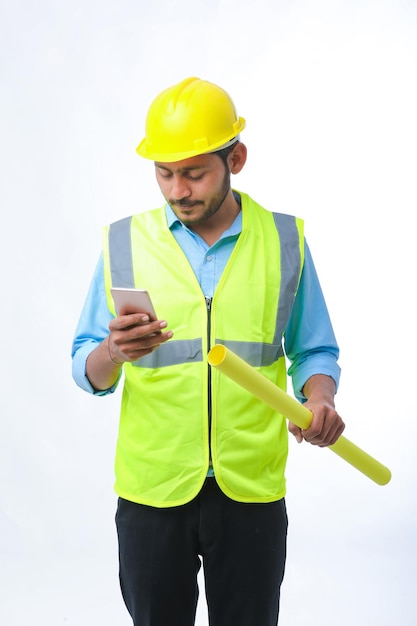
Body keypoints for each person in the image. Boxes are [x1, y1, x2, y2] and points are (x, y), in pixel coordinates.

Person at [71, 76, 345, 626]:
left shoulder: (285, 240)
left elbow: (314, 349)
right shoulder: (123, 241)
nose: (177, 190)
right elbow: (86, 369)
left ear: (235, 158)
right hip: (153, 488)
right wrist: (113, 352)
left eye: (194, 173)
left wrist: (320, 398)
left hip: (250, 488)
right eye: (164, 173)